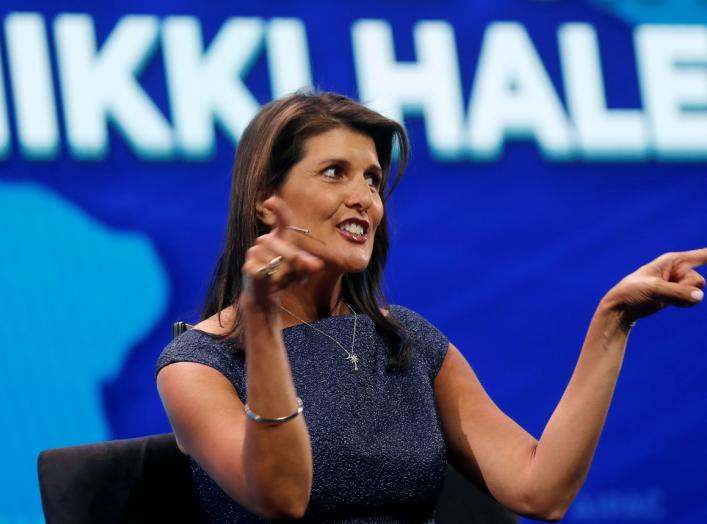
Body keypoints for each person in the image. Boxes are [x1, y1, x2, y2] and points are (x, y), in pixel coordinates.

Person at [156, 91, 706, 523]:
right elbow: (283, 497)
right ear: (263, 198)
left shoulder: (407, 342)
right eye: (334, 173)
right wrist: (261, 321)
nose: (364, 197)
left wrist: (613, 319)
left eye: (372, 178)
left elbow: (540, 490)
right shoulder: (197, 364)